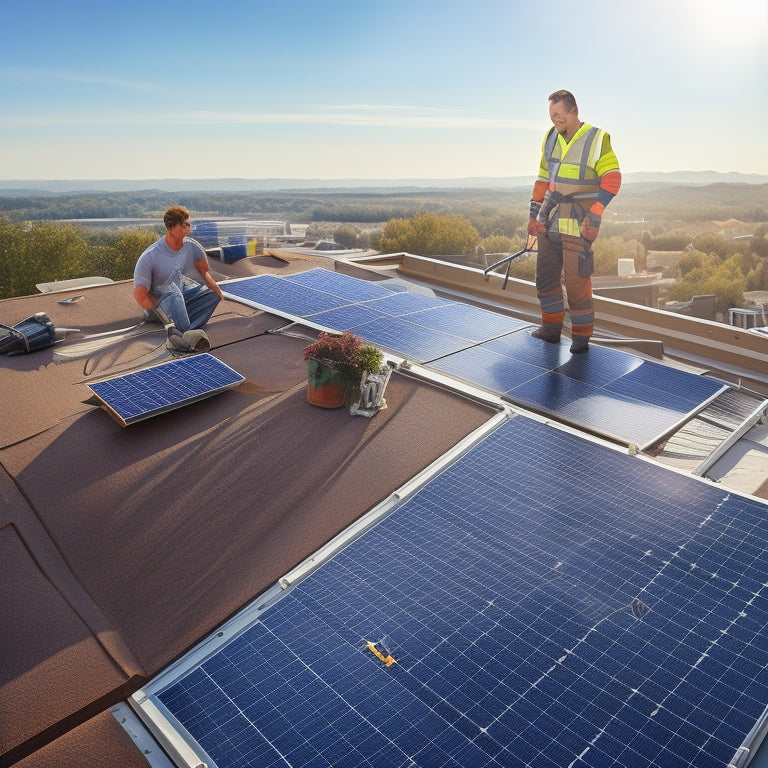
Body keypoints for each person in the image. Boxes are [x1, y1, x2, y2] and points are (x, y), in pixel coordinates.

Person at [527, 90, 621, 353]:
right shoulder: (550, 137)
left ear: (573, 111)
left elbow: (612, 177)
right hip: (550, 220)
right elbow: (542, 179)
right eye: (551, 116)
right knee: (545, 279)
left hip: (579, 223)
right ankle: (550, 330)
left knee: (577, 284)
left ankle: (580, 339)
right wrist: (533, 217)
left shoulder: (597, 138)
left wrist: (596, 211)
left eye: (558, 115)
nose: (554, 121)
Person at [133, 206, 224, 352]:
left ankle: (183, 329)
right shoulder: (150, 257)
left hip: (179, 293)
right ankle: (183, 336)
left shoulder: (190, 246)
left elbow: (203, 272)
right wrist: (163, 318)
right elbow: (141, 295)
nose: (188, 228)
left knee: (212, 294)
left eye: (188, 224)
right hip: (159, 304)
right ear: (171, 227)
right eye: (184, 225)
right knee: (171, 290)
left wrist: (219, 291)